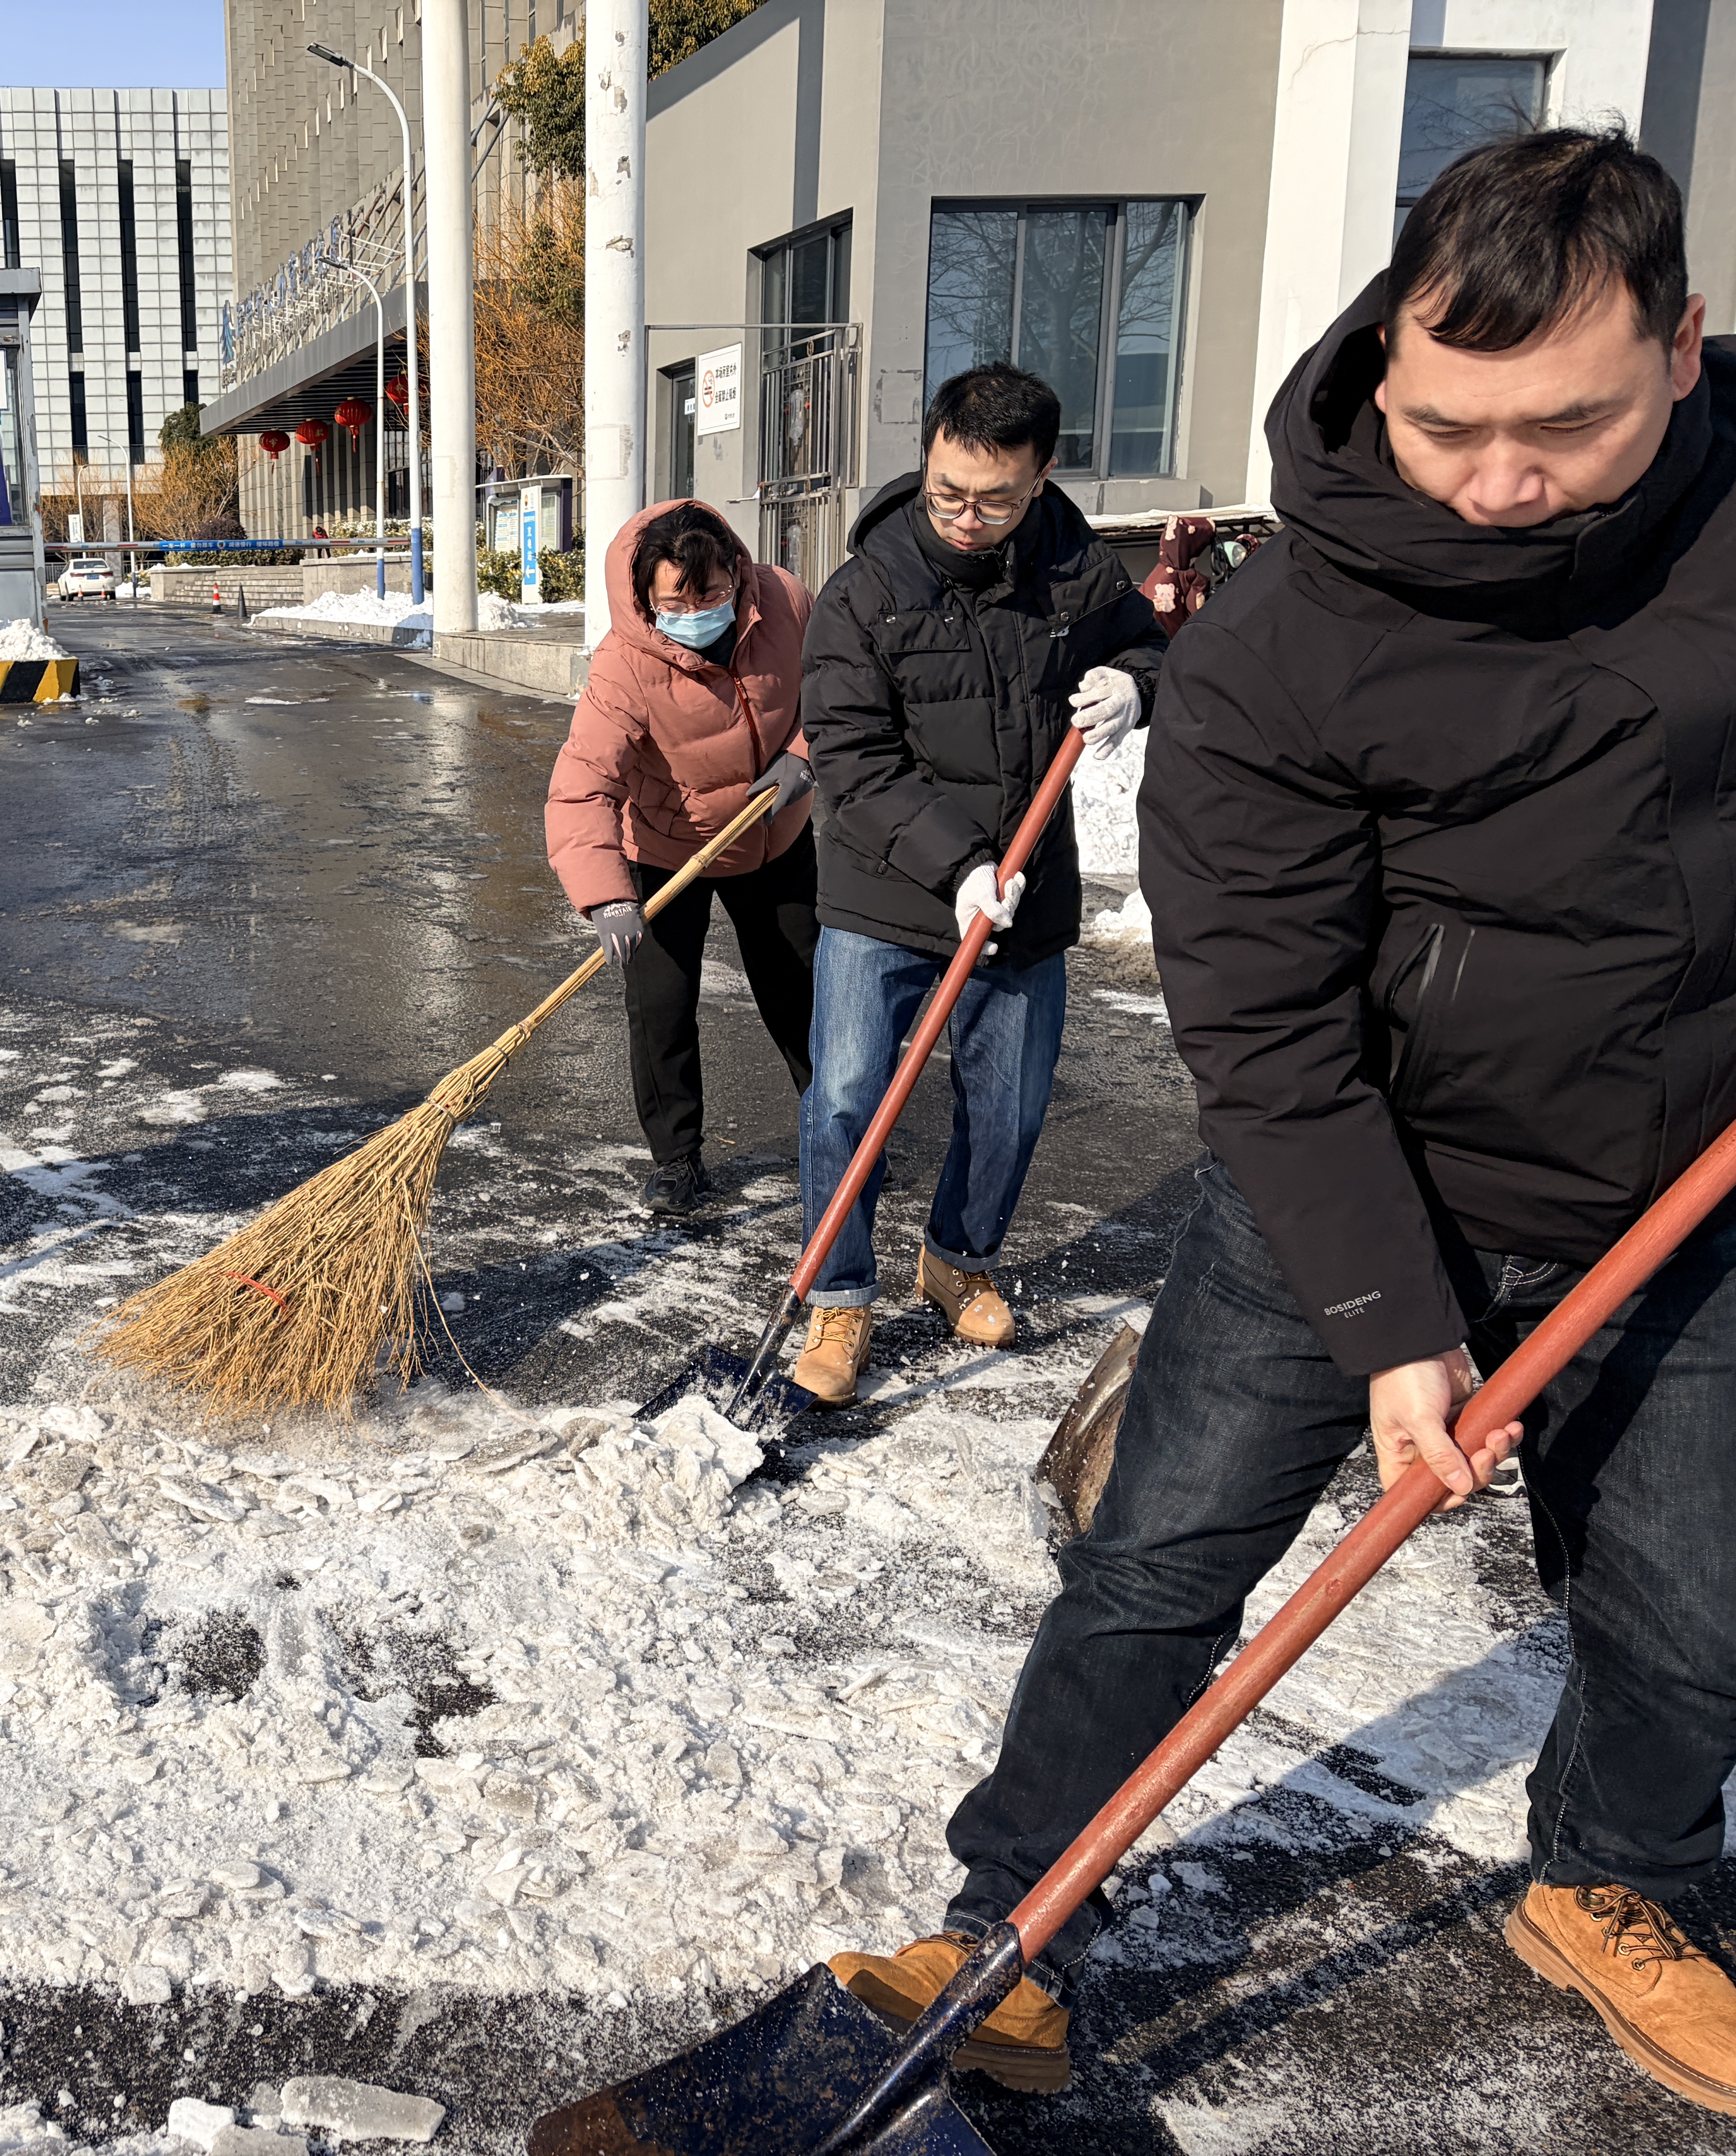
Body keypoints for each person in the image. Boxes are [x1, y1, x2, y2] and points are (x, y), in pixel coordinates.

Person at [829, 127, 1736, 2116]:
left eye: (1568, 429)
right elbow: (1263, 1017)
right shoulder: (1282, 643)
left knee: (1698, 1606)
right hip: (1356, 1174)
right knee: (1159, 1561)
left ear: (1683, 351)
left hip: (1681, 1188)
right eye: (1447, 425)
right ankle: (1012, 1922)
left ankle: (1618, 1880)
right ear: (1385, 359)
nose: (1496, 485)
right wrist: (1395, 1322)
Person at [790, 366, 1165, 1401]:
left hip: (1024, 894)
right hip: (883, 889)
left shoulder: (1077, 572)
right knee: (847, 1098)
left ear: (1041, 477)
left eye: (993, 500)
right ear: (927, 457)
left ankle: (957, 1258)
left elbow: (1156, 646)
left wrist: (1137, 684)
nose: (964, 516)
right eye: (947, 490)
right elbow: (853, 758)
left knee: (1007, 1104)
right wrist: (957, 865)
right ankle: (839, 1295)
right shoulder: (865, 592)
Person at [546, 500, 819, 1213]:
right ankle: (678, 1159)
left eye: (710, 595)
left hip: (775, 837)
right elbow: (582, 786)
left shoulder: (785, 602)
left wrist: (803, 754)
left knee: (804, 992)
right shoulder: (623, 666)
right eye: (674, 603)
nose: (695, 614)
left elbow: (841, 685)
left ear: (737, 575)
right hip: (668, 848)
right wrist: (607, 894)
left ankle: (840, 1130)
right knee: (661, 1008)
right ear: (645, 597)